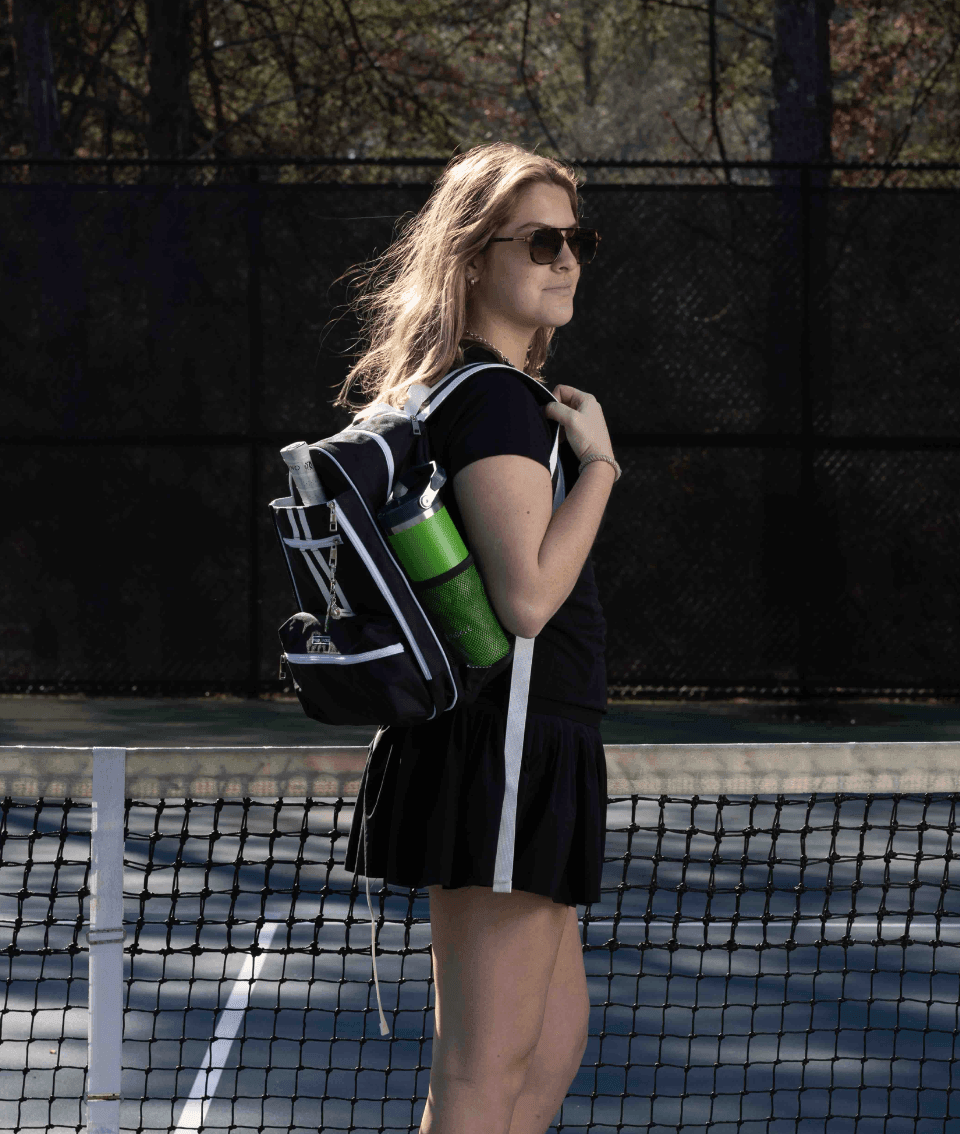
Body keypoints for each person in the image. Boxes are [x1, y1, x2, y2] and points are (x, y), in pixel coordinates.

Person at [335, 141, 619, 1134]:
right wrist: (600, 473)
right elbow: (530, 599)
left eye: (575, 239)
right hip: (504, 748)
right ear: (471, 257)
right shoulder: (491, 398)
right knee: (482, 1069)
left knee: (549, 1043)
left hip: (530, 744)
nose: (566, 258)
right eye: (540, 240)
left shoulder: (481, 391)